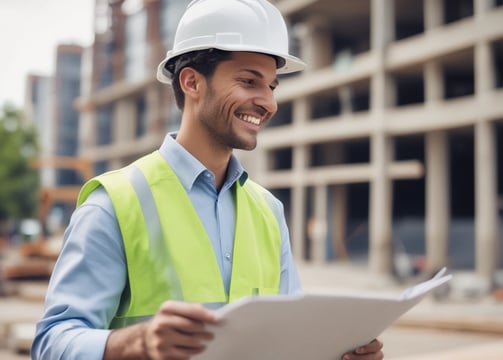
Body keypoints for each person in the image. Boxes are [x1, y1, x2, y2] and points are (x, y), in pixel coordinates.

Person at [32, 0, 384, 359]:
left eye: (272, 86)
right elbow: (51, 344)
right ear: (191, 82)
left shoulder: (269, 212)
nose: (268, 102)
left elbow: (287, 341)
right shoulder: (115, 204)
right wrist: (137, 343)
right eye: (249, 81)